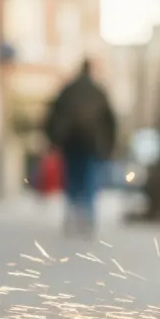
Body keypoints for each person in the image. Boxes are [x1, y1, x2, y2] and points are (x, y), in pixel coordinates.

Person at [45, 59, 117, 236]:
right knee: (89, 179)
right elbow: (110, 121)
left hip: (70, 142)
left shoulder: (68, 90)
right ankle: (88, 217)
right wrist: (109, 146)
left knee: (72, 178)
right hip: (92, 144)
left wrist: (53, 139)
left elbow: (53, 114)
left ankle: (71, 213)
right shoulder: (98, 91)